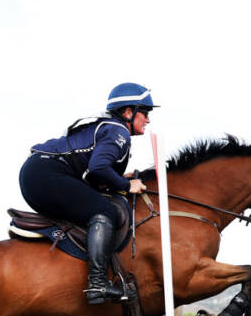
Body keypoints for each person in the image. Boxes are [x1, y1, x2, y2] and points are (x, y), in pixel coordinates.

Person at [19, 82, 156, 304]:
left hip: (38, 174)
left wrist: (122, 179)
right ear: (128, 112)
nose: (148, 119)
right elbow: (98, 168)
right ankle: (98, 284)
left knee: (94, 206)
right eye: (145, 113)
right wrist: (125, 184)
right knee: (103, 211)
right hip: (47, 174)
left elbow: (94, 175)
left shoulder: (109, 127)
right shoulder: (119, 130)